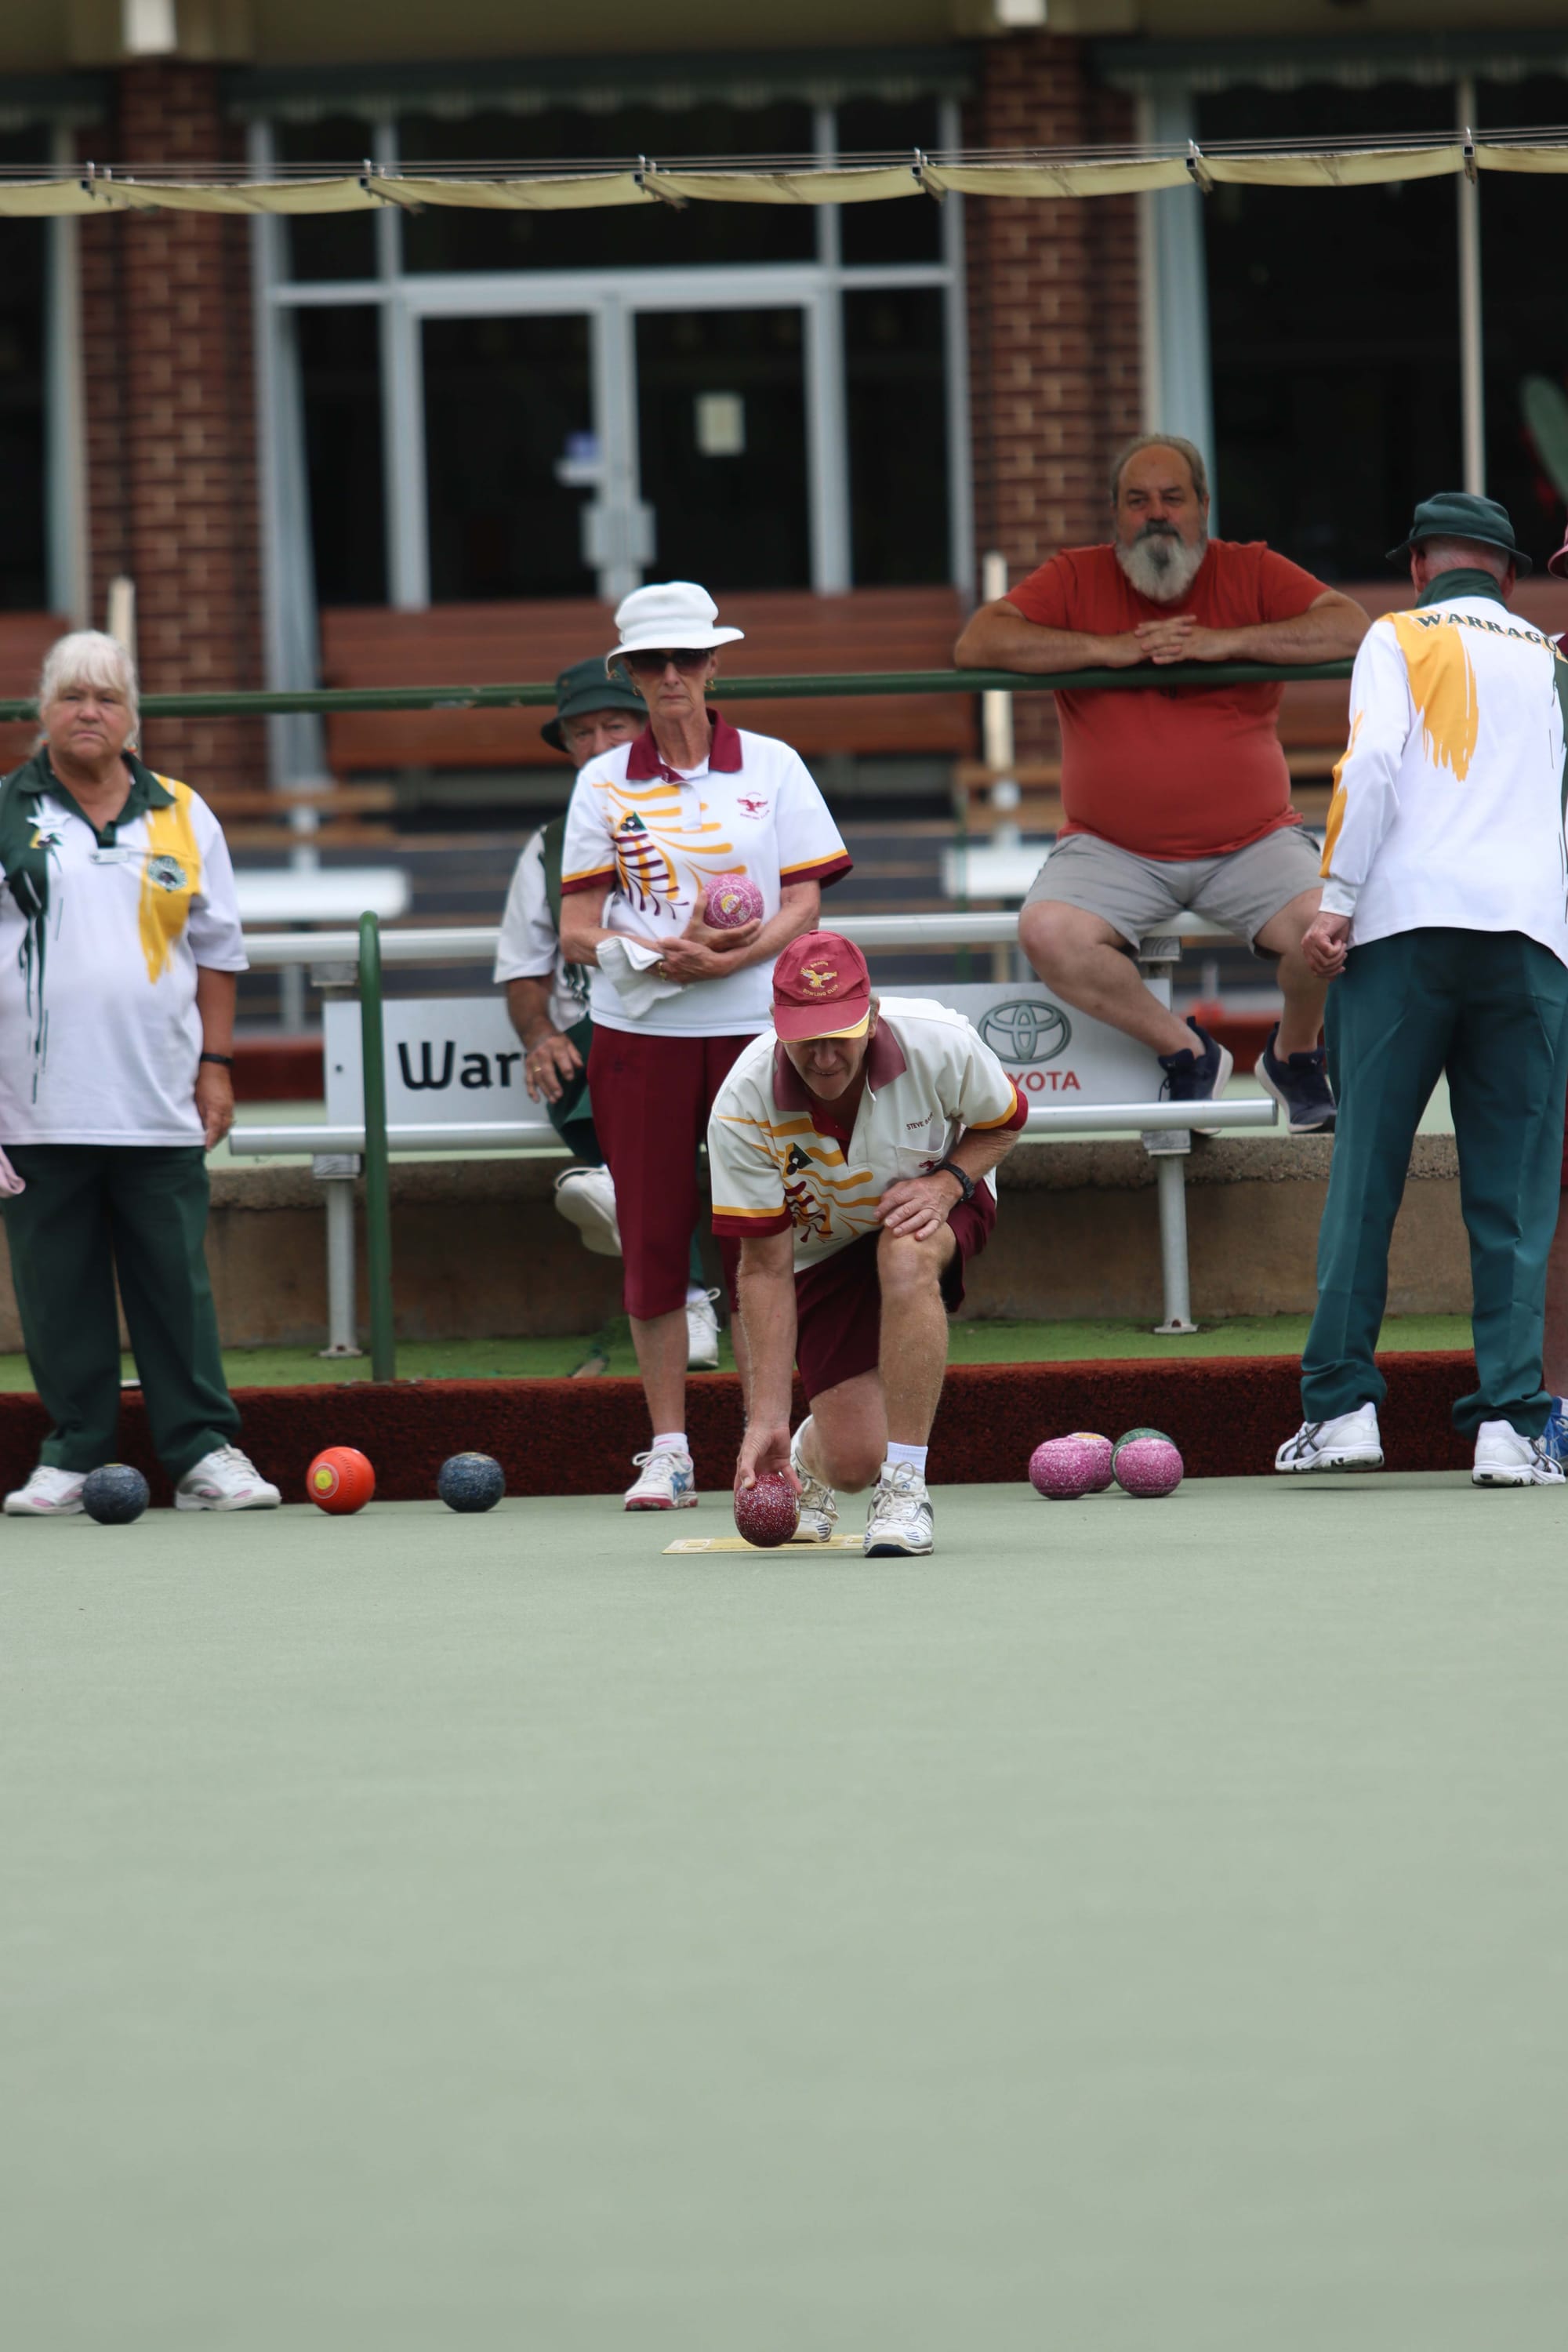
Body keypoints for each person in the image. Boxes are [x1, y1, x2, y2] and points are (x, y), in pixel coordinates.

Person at [1276, 493, 1568, 1487]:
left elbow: (1370, 765)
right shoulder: (1549, 660)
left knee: (1366, 1174)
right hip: (1527, 936)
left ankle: (1341, 1410)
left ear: (1415, 568)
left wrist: (1336, 901)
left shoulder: (1395, 635)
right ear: (1508, 575)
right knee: (1513, 1192)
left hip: (1401, 929)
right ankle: (1508, 1425)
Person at [954, 434, 1370, 1132]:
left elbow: (1352, 628)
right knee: (1048, 933)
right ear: (1115, 514)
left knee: (1331, 926)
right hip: (1110, 848)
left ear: (1202, 506)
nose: (1156, 515)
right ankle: (1187, 1051)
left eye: (1173, 499)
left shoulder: (1249, 569)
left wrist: (1225, 641)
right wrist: (1108, 651)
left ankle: (1294, 1055)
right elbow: (979, 643)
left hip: (1253, 843)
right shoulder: (1076, 576)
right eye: (1137, 500)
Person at [558, 580, 852, 1508]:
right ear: (629, 675)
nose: (671, 676)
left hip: (758, 1032)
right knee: (650, 1239)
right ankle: (669, 1449)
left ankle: (770, 1438)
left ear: (714, 664)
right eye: (652, 663)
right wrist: (655, 956)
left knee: (764, 1238)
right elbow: (575, 928)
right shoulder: (600, 781)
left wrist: (733, 956)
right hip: (639, 1032)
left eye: (686, 658)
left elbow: (804, 902)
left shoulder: (772, 764)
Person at [0, 630, 280, 1515]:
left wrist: (216, 1066)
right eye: (72, 696)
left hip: (158, 1096)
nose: (89, 712)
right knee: (58, 1293)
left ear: (132, 717)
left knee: (173, 1286)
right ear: (41, 710)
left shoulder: (184, 813)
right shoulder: (4, 810)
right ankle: (74, 1455)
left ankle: (202, 1452)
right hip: (32, 1105)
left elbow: (219, 953)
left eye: (107, 698)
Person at [710, 931, 1026, 1556]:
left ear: (872, 1015)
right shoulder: (741, 1103)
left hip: (938, 1197)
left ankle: (906, 1488)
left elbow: (1004, 1123)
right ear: (777, 1024)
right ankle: (813, 1450)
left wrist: (947, 1184)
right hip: (821, 1245)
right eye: (807, 1038)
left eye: (840, 1034)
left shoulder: (940, 1041)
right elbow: (765, 1269)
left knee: (904, 1251)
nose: (825, 1057)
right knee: (852, 1462)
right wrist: (766, 1417)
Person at [495, 658, 725, 1374]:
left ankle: (619, 1196)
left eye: (613, 726)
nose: (597, 745)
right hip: (598, 1040)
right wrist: (538, 1034)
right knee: (583, 1053)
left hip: (709, 1015)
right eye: (581, 733)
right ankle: (686, 1294)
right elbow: (524, 971)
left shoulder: (707, 812)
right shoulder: (548, 844)